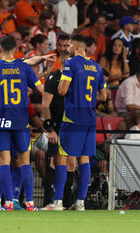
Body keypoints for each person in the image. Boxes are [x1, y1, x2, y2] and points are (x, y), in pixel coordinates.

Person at [0, 35, 44, 211]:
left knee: (4, 161)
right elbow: (40, 89)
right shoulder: (24, 67)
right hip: (21, 121)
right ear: (15, 49)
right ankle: (30, 203)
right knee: (24, 162)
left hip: (1, 121)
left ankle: (7, 203)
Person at [48, 34, 106, 211]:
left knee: (62, 157)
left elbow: (63, 90)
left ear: (75, 46)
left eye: (69, 46)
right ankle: (80, 203)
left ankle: (57, 202)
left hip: (73, 118)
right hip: (89, 118)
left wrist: (62, 87)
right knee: (85, 158)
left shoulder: (71, 63)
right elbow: (103, 96)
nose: (67, 49)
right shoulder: (97, 67)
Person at [40, 51, 77, 209]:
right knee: (56, 162)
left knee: (71, 164)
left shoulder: (75, 79)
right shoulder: (53, 78)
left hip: (72, 126)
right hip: (58, 126)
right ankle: (51, 201)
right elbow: (45, 105)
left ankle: (67, 203)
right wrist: (50, 129)